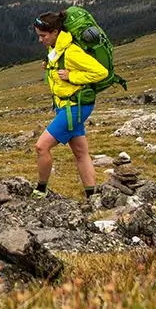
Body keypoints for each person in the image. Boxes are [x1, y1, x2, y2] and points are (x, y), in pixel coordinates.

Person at [31, 10, 108, 200]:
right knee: (81, 152)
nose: (40, 40)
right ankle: (92, 196)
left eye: (43, 35)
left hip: (76, 105)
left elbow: (101, 72)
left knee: (42, 147)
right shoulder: (55, 48)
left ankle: (41, 190)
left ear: (56, 32)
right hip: (66, 104)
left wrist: (72, 76)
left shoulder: (72, 51)